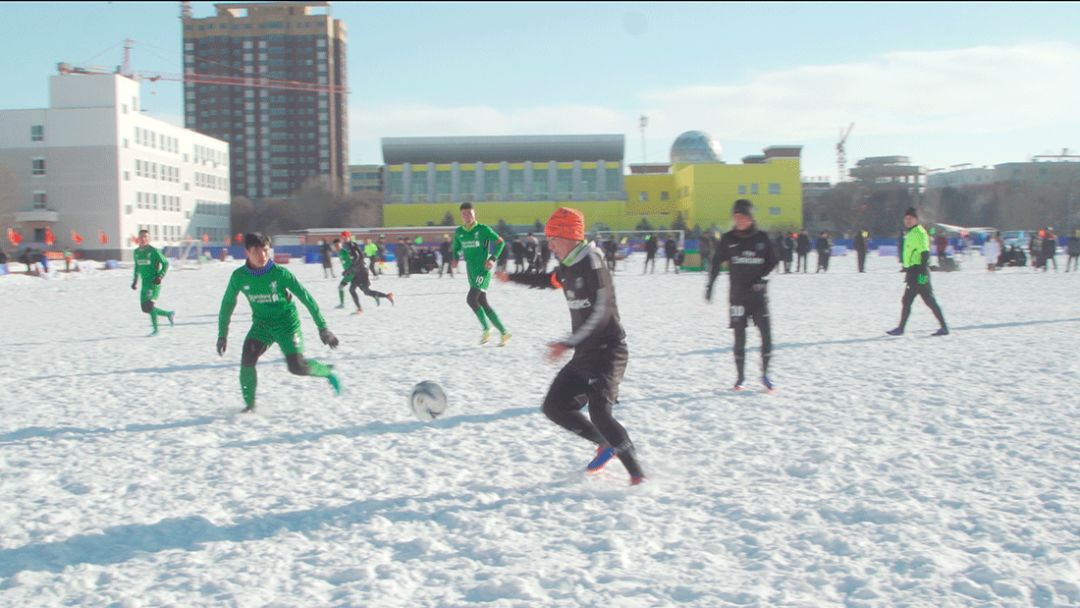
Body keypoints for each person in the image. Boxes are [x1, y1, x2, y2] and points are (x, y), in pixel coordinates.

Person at [496, 207, 645, 485]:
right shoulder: (568, 264)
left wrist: (568, 342)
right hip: (585, 352)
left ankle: (638, 476)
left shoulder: (592, 261)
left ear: (568, 235)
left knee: (601, 413)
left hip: (609, 351)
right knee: (555, 407)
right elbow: (549, 280)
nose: (549, 244)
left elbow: (601, 313)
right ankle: (605, 444)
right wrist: (512, 277)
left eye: (553, 238)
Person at [216, 233, 340, 413]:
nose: (263, 256)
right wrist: (222, 334)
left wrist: (323, 328)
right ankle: (249, 405)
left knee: (296, 367)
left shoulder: (280, 274)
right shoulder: (239, 277)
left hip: (287, 324)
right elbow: (227, 304)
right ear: (247, 252)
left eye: (266, 251)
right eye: (257, 252)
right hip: (262, 326)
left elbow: (306, 299)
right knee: (247, 361)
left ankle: (325, 371)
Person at [706, 199, 778, 391]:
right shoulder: (728, 239)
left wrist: (761, 279)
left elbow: (773, 263)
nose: (739, 220)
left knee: (766, 336)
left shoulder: (762, 238)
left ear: (750, 218)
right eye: (736, 217)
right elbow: (715, 263)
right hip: (737, 297)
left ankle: (765, 376)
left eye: (743, 217)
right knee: (739, 338)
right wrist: (710, 285)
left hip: (758, 297)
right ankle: (740, 378)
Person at [452, 202, 511, 345]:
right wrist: (454, 258)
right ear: (461, 215)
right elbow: (456, 247)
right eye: (464, 214)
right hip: (470, 271)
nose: (467, 216)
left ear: (474, 214)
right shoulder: (459, 232)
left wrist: (492, 259)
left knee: (471, 299)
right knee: (482, 302)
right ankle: (504, 332)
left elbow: (500, 243)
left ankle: (486, 328)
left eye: (469, 214)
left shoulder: (483, 230)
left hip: (482, 270)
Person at [887, 208, 949, 337]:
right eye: (906, 218)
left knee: (927, 300)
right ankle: (901, 328)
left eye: (910, 218)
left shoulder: (919, 233)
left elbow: (924, 253)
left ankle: (943, 327)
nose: (908, 221)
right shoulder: (911, 233)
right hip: (913, 273)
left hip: (919, 273)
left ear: (916, 219)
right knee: (909, 300)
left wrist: (921, 275)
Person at [131, 229, 175, 336]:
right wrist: (135, 281)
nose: (143, 239)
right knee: (144, 308)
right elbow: (137, 267)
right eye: (141, 236)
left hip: (154, 283)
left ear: (148, 239)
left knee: (149, 306)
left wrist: (160, 276)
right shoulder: (136, 252)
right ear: (138, 238)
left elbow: (165, 263)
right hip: (144, 284)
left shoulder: (154, 251)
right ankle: (168, 314)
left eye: (145, 237)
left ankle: (156, 330)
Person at [335, 234, 362, 309]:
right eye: (335, 246)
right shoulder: (339, 253)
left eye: (338, 245)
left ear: (340, 245)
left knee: (342, 287)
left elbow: (352, 260)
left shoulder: (344, 252)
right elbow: (346, 262)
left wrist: (349, 270)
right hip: (349, 273)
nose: (336, 247)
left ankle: (343, 304)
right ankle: (343, 304)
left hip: (351, 273)